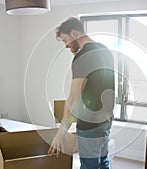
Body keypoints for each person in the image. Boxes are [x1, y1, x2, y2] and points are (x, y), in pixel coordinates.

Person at [47, 17, 115, 169]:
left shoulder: (82, 56)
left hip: (90, 124)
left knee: (89, 166)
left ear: (74, 33)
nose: (66, 46)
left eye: (65, 40)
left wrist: (61, 132)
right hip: (106, 120)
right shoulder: (105, 50)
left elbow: (74, 99)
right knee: (103, 162)